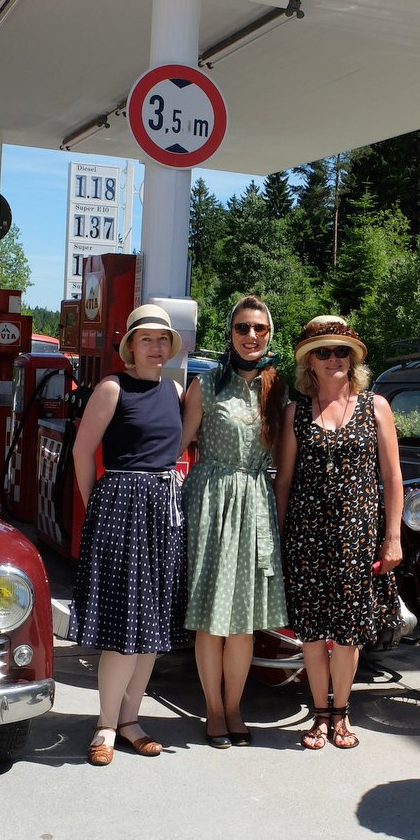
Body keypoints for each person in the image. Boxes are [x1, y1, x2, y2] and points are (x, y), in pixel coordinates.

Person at [274, 316, 403, 750]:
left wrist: (393, 537)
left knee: (348, 632)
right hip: (305, 535)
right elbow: (284, 483)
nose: (334, 358)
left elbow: (392, 479)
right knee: (312, 632)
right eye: (323, 352)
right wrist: (278, 539)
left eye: (342, 351)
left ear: (353, 359)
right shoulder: (295, 412)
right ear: (309, 362)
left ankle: (342, 712)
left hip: (358, 537)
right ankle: (319, 714)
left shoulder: (376, 407)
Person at [69, 304, 187, 766]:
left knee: (152, 625)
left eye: (162, 340)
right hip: (121, 508)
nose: (155, 347)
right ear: (131, 346)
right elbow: (82, 451)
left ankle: (130, 720)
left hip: (163, 511)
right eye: (146, 339)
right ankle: (105, 724)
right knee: (124, 627)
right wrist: (96, 506)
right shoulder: (112, 388)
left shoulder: (175, 390)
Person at [180, 295, 287, 748]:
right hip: (211, 502)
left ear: (270, 334)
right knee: (210, 617)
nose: (251, 335)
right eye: (243, 327)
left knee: (242, 620)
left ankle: (234, 707)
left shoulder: (278, 389)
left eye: (259, 328)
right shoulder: (206, 385)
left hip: (255, 505)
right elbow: (178, 446)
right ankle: (213, 710)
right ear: (230, 333)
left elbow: (284, 459)